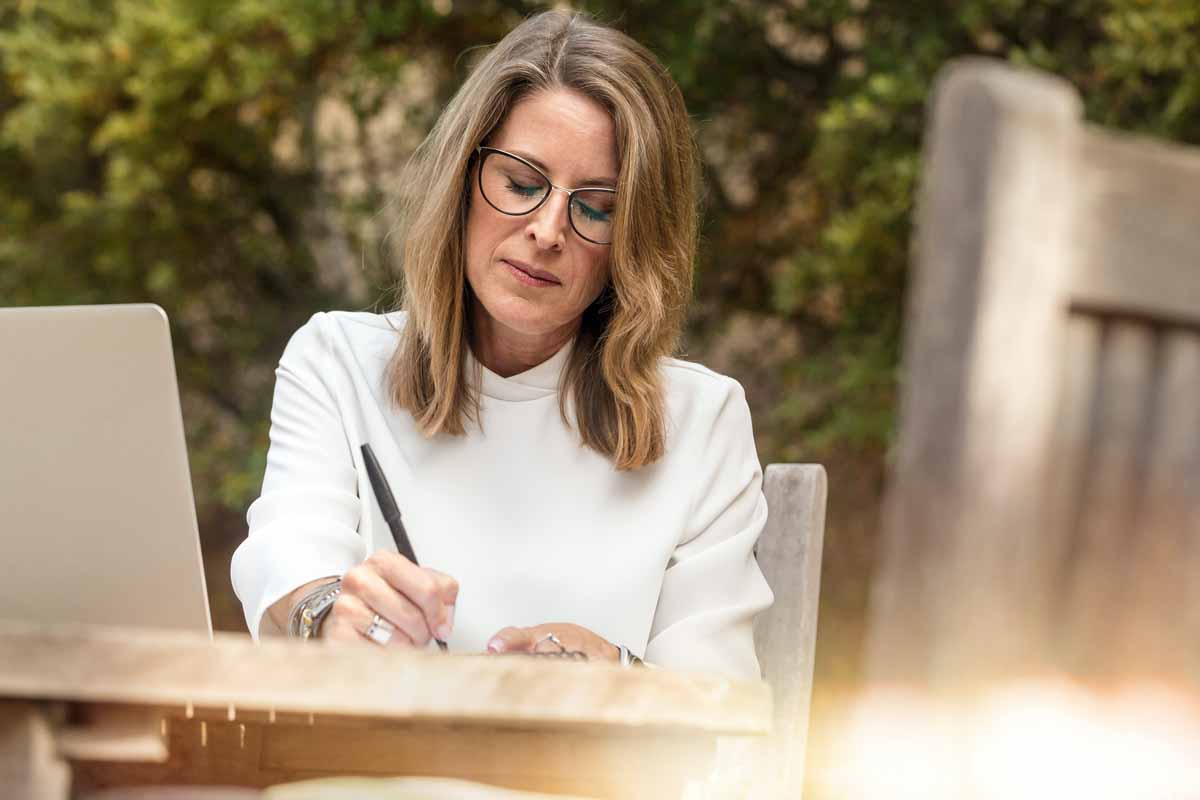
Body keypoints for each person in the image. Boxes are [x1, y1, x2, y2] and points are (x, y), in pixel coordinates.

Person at [230, 9, 773, 679]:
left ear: (633, 240)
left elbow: (721, 706)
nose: (548, 230)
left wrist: (622, 677)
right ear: (463, 179)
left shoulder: (702, 420)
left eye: (597, 207)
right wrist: (328, 613)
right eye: (520, 183)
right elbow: (291, 552)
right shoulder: (338, 362)